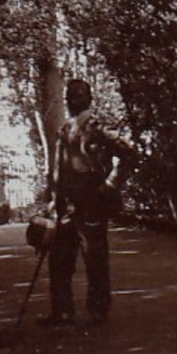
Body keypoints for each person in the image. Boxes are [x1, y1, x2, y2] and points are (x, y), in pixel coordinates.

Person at [41, 78, 136, 327]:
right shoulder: (65, 129)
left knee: (94, 256)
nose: (74, 99)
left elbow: (129, 153)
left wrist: (111, 183)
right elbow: (59, 169)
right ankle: (61, 311)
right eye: (71, 94)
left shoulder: (97, 127)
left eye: (80, 95)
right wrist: (53, 198)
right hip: (66, 204)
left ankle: (98, 311)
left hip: (92, 200)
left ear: (89, 98)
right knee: (60, 258)